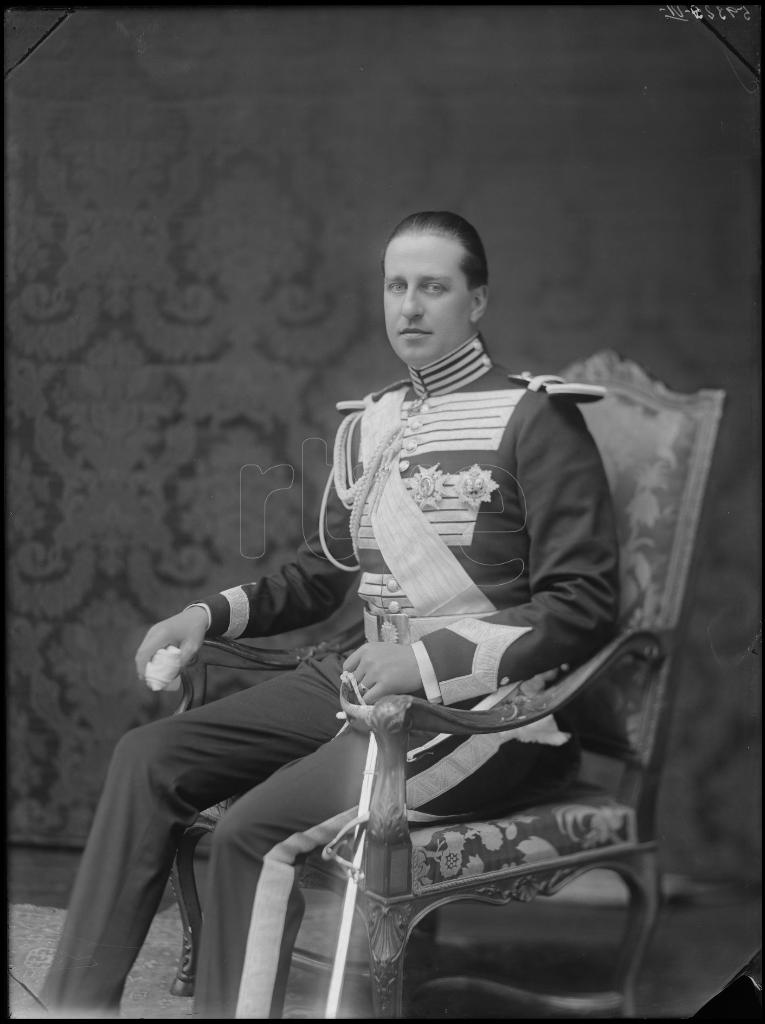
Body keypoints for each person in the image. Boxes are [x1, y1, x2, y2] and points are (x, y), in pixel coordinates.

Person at [41, 211, 620, 1019]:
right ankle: (69, 1007)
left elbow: (584, 606)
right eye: (396, 286)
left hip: (488, 714)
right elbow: (321, 580)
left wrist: (420, 666)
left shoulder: (537, 420)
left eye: (433, 287)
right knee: (148, 755)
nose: (409, 307)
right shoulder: (368, 425)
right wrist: (203, 616)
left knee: (251, 831)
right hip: (354, 681)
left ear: (477, 301)